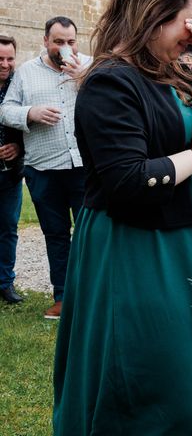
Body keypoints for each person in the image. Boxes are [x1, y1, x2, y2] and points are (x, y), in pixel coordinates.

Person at [52, 0, 192, 435]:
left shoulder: (166, 75)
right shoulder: (111, 81)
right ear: (154, 16)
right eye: (190, 21)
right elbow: (129, 180)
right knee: (160, 386)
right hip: (144, 251)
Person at [0, 16, 89, 318]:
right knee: (56, 234)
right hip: (43, 169)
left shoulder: (90, 66)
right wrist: (31, 112)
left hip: (83, 166)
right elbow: (5, 110)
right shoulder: (25, 73)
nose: (65, 47)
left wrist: (85, 76)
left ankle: (90, 296)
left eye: (71, 41)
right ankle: (63, 297)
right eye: (59, 42)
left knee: (90, 232)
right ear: (46, 41)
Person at [0, 34, 23, 304]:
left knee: (8, 228)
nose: (5, 64)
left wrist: (18, 147)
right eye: (0, 59)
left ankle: (5, 283)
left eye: (9, 58)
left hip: (11, 173)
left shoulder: (19, 85)